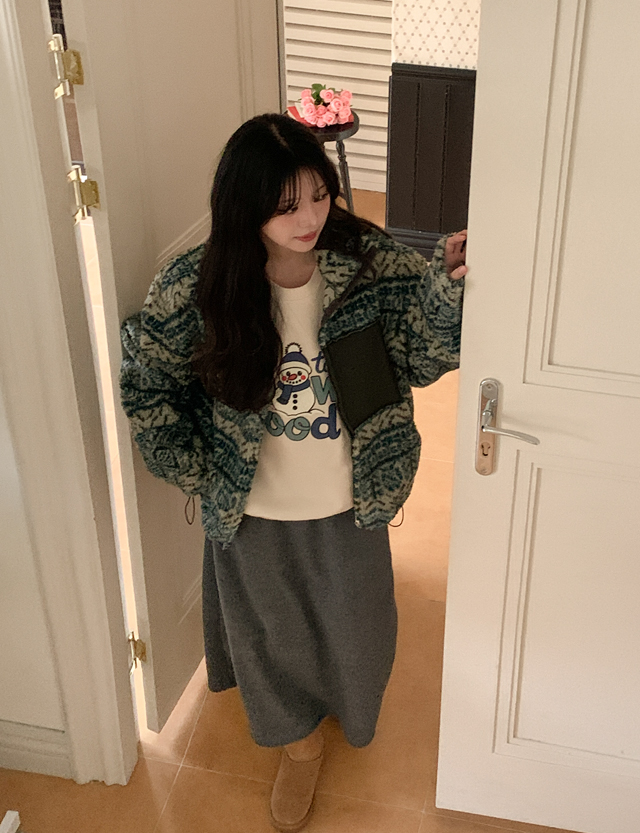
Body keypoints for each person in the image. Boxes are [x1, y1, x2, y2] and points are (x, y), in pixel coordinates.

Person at [120, 112, 467, 832]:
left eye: (318, 194)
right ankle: (299, 746)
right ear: (245, 207)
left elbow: (423, 353)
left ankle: (343, 709)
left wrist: (447, 287)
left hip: (351, 497)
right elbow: (148, 384)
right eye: (286, 206)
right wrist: (196, 469)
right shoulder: (197, 286)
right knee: (270, 639)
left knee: (358, 626)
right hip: (253, 510)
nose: (310, 218)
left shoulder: (366, 260)